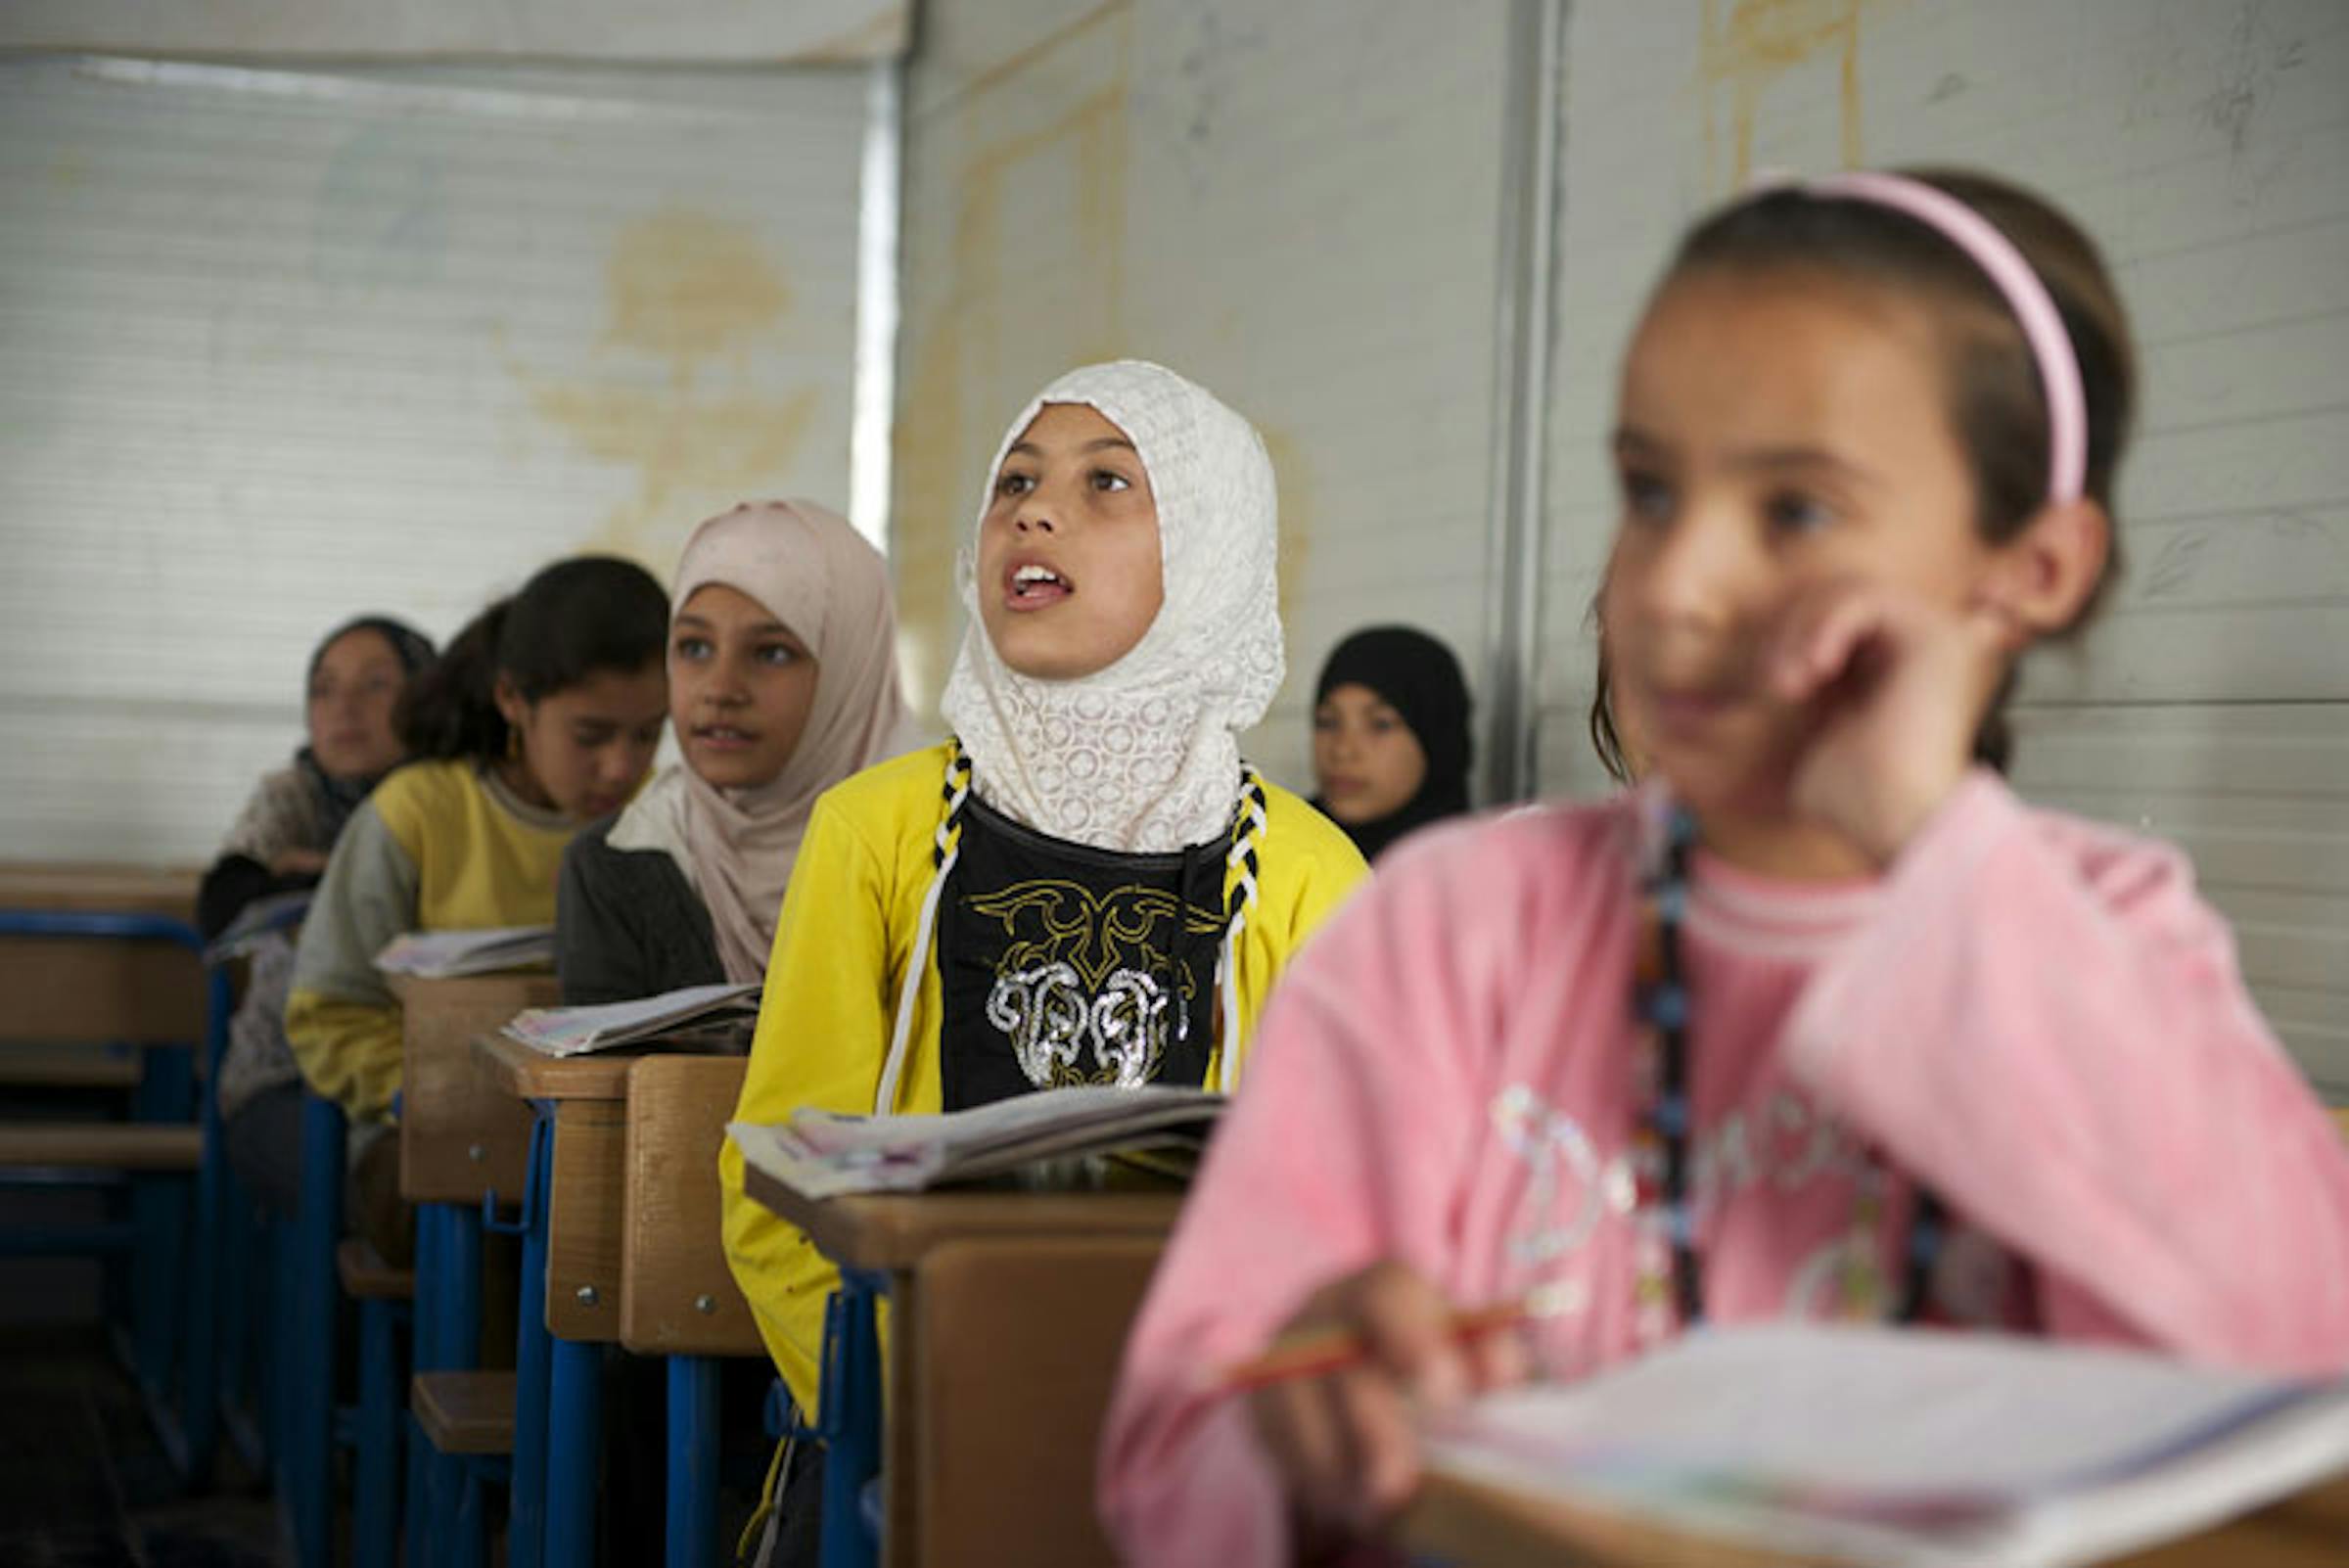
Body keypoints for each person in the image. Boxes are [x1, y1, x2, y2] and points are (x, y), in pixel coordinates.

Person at [1098, 169, 2349, 1566]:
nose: (1674, 579)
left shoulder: (2113, 935)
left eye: (1798, 511)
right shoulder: (1452, 928)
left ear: (2032, 569)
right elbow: (1166, 1455)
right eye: (1647, 485)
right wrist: (1291, 1415)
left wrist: (1932, 844)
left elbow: (2299, 1363)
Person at [718, 360, 1369, 1559]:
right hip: (908, 1406)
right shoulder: (877, 831)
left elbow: (1353, 1214)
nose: (1034, 508)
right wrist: (898, 1406)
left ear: (1212, 550)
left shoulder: (1312, 877)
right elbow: (778, 1181)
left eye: (1108, 481)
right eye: (1014, 479)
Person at [286, 556, 668, 1261]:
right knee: (509, 1214)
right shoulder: (417, 813)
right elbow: (326, 1013)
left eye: (646, 735)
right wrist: (439, 1089)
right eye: (590, 736)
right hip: (422, 1131)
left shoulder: (662, 820)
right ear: (513, 701)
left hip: (595, 1131)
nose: (620, 767)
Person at [556, 500, 909, 1005]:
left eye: (772, 653)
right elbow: (600, 1084)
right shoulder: (616, 864)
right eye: (694, 648)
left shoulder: (936, 851)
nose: (720, 690)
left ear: (849, 673)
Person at [201, 616, 435, 1216]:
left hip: (421, 1076)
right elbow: (224, 901)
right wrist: (341, 876)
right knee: (404, 1193)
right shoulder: (293, 794)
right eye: (324, 689)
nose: (344, 708)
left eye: (375, 685)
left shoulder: (445, 802)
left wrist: (307, 874)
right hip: (285, 1084)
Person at [1310, 625, 1473, 861]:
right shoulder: (1272, 849)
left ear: (1438, 741)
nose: (1342, 751)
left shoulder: (1476, 876)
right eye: (1328, 722)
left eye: (1380, 724)